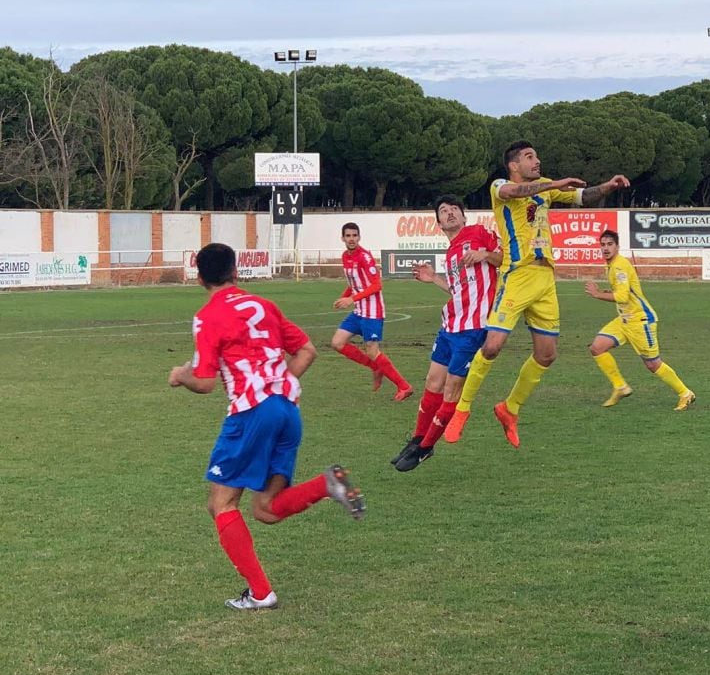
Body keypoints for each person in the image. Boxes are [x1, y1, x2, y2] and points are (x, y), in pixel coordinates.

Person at [168, 243, 365, 611]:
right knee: (267, 509)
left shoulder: (208, 316)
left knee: (221, 503)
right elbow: (308, 351)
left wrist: (181, 375)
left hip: (251, 414)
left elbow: (205, 382)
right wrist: (277, 388)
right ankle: (326, 485)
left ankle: (261, 593)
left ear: (199, 278)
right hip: (288, 411)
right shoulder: (264, 306)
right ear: (236, 273)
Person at [443, 140, 630, 447]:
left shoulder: (544, 187)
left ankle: (509, 408)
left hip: (545, 278)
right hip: (517, 274)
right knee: (492, 346)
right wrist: (553, 184)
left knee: (547, 354)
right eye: (529, 157)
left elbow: (583, 196)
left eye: (537, 156)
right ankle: (462, 411)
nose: (537, 161)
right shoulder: (499, 186)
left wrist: (607, 186)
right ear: (514, 165)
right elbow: (514, 193)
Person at [393, 195, 503, 471]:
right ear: (439, 223)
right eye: (444, 211)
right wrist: (434, 280)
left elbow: (505, 259)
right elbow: (459, 290)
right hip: (450, 324)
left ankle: (427, 447)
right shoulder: (451, 252)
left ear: (464, 216)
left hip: (473, 328)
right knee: (432, 382)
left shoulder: (479, 232)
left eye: (455, 209)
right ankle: (417, 439)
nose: (450, 212)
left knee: (452, 389)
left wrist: (485, 254)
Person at [584, 230, 695, 411]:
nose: (605, 248)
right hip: (624, 320)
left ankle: (685, 393)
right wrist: (603, 291)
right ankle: (620, 386)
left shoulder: (619, 266)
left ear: (617, 247)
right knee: (597, 348)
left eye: (609, 244)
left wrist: (597, 294)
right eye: (603, 244)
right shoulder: (611, 265)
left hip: (640, 320)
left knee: (652, 364)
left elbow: (622, 296)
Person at [331, 222, 413, 401]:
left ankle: (404, 386)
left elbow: (377, 285)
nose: (351, 239)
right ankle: (375, 367)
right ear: (343, 238)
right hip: (359, 311)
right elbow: (355, 283)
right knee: (337, 343)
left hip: (373, 312)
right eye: (348, 236)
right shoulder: (346, 256)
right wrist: (344, 296)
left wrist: (350, 299)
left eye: (354, 235)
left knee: (372, 350)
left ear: (359, 237)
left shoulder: (365, 257)